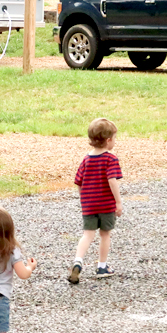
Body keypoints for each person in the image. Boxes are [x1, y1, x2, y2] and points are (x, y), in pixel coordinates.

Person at [68, 117, 123, 284]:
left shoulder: (86, 159)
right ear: (108, 140)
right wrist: (118, 202)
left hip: (89, 204)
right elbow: (112, 180)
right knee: (105, 234)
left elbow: (78, 181)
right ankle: (102, 267)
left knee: (87, 234)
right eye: (114, 138)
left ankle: (78, 261)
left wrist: (84, 198)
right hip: (106, 204)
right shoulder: (110, 159)